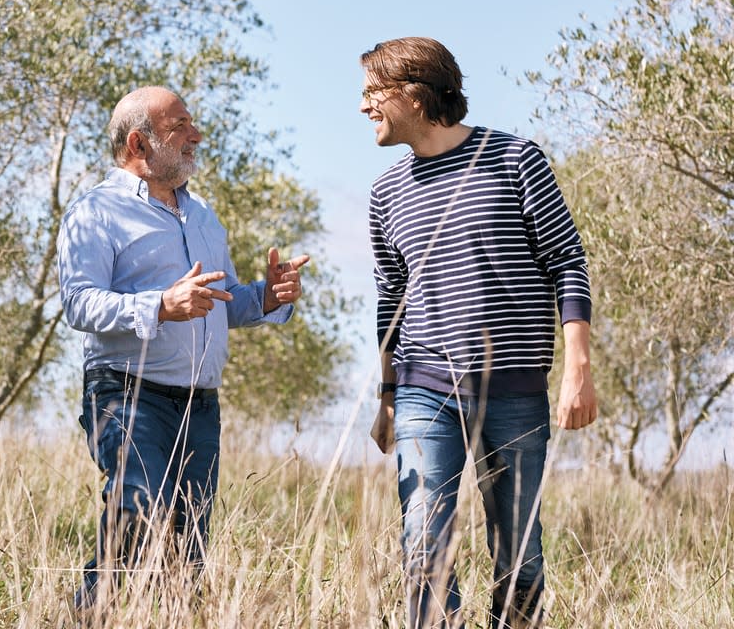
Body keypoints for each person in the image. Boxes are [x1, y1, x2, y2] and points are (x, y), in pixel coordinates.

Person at [360, 38, 597, 629]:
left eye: (373, 92)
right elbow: (391, 300)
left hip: (513, 390)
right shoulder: (384, 192)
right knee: (423, 543)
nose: (364, 106)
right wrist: (388, 396)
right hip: (423, 388)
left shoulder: (516, 159)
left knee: (520, 552)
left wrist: (577, 370)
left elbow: (567, 262)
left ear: (414, 95)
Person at [57, 85, 310, 620]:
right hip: (128, 392)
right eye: (180, 126)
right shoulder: (95, 211)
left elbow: (222, 303)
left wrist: (267, 296)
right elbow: (79, 303)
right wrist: (161, 306)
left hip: (200, 405)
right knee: (136, 514)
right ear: (139, 143)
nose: (196, 135)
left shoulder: (204, 217)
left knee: (186, 545)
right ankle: (90, 617)